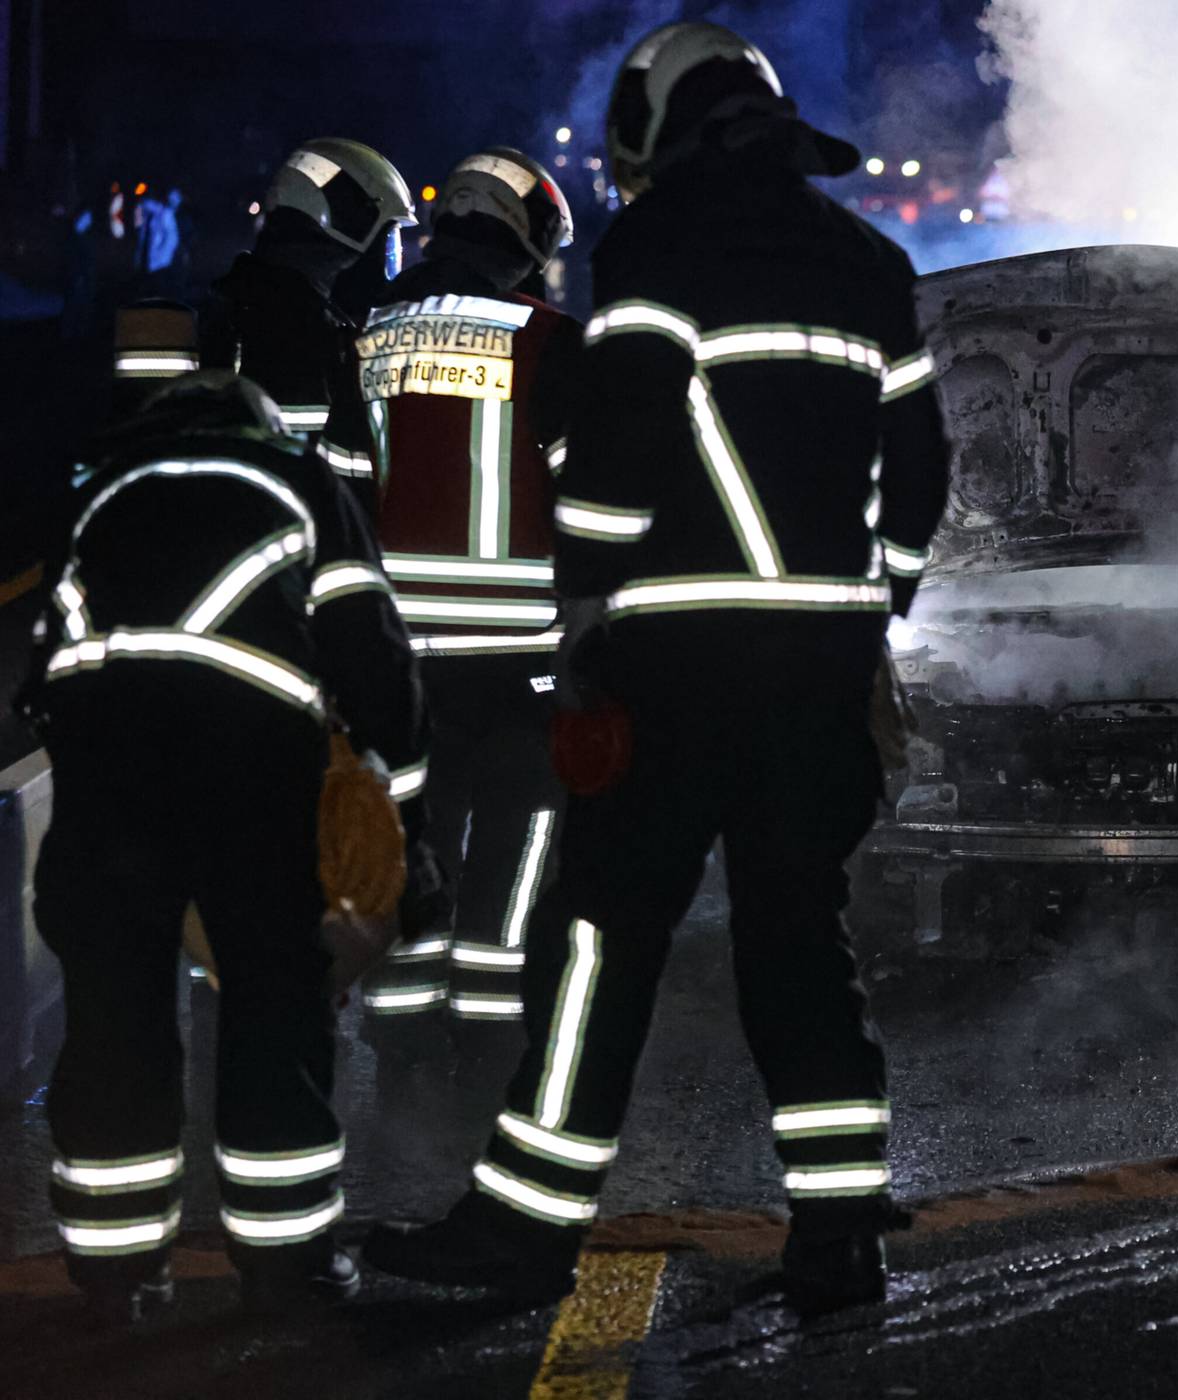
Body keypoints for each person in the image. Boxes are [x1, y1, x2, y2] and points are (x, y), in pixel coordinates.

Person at [364, 20, 951, 1312]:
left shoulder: (657, 244)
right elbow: (920, 474)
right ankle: (841, 1231)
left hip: (678, 667)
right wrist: (875, 609)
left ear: (660, 121)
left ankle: (522, 1231)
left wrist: (582, 612)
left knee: (598, 944)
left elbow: (620, 450)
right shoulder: (872, 263)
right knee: (801, 943)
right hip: (818, 675)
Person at [17, 371, 428, 1322]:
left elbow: (41, 668)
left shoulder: (97, 484)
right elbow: (375, 656)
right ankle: (288, 1267)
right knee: (275, 1015)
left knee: (112, 1022)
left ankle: (116, 1279)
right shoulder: (301, 479)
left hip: (105, 783)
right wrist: (404, 821)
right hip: (254, 776)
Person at [351, 147, 581, 1048]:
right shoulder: (551, 342)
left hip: (393, 656)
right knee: (515, 847)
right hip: (521, 662)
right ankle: (486, 1035)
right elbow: (590, 502)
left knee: (412, 840)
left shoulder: (365, 337)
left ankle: (401, 1028)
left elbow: (336, 492)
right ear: (527, 243)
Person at [200, 138, 414, 443]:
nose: (389, 265)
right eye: (388, 247)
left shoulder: (234, 301)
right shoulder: (306, 337)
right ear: (346, 241)